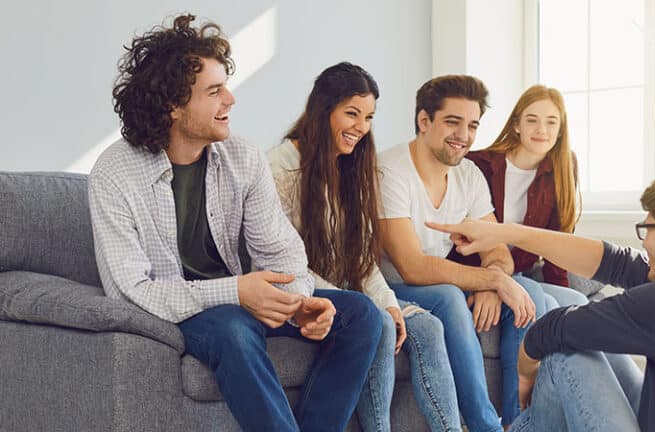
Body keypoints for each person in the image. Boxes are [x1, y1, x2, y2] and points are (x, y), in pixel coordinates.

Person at [89, 15, 381, 432]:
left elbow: (284, 254)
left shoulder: (241, 158)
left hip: (241, 301)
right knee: (234, 328)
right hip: (185, 312)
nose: (230, 99)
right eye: (214, 91)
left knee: (360, 314)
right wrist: (237, 291)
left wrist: (297, 304)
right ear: (173, 105)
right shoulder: (116, 172)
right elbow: (130, 291)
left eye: (226, 85)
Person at [428, 167, 655, 432]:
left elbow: (550, 330)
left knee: (564, 355)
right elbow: (618, 262)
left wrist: (524, 378)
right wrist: (504, 233)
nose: (644, 244)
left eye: (646, 230)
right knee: (590, 345)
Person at [268, 62, 461, 431]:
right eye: (352, 114)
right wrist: (362, 303)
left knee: (428, 328)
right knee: (381, 326)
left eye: (369, 116)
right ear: (323, 109)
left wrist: (388, 301)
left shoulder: (350, 166)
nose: (361, 127)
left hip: (353, 292)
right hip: (309, 294)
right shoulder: (281, 168)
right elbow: (283, 263)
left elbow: (360, 258)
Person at [378, 75, 547, 430]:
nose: (465, 136)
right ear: (424, 121)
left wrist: (493, 283)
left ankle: (518, 425)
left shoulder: (468, 175)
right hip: (389, 285)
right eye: (453, 122)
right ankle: (485, 426)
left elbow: (498, 249)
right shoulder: (389, 170)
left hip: (436, 281)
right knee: (450, 298)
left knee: (530, 292)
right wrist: (491, 279)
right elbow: (411, 267)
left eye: (472, 125)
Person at [451, 85, 587, 310]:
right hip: (475, 272)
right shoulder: (478, 165)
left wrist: (561, 287)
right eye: (532, 120)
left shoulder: (564, 166)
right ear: (516, 125)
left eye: (551, 122)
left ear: (561, 129)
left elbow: (558, 241)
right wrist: (487, 281)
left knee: (576, 304)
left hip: (519, 273)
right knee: (547, 304)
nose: (541, 129)